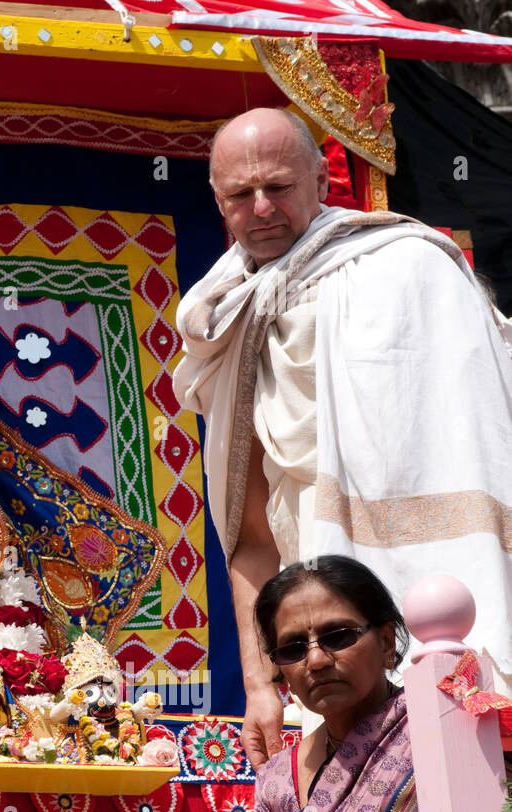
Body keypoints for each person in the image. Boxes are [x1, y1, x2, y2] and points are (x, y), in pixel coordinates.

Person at [172, 107, 512, 768]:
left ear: (321, 181)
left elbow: (477, 443)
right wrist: (258, 685)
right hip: (321, 671)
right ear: (218, 202)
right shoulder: (231, 317)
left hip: (446, 646)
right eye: (241, 195)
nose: (262, 207)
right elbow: (252, 537)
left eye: (279, 185)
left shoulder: (411, 268)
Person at [251, 555, 420, 812]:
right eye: (292, 648)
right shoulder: (276, 784)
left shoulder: (437, 727)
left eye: (338, 636)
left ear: (385, 642)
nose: (316, 661)